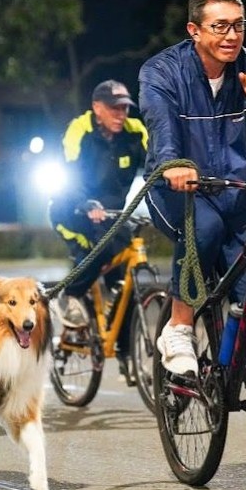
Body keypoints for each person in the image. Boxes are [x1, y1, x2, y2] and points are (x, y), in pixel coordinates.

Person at [138, 0, 246, 378]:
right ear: (194, 30)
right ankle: (179, 327)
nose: (231, 36)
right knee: (205, 227)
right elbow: (162, 127)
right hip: (173, 187)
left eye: (238, 25)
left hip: (234, 189)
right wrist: (174, 164)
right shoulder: (162, 71)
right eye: (220, 26)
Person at [48, 79, 148, 385]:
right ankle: (73, 295)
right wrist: (85, 202)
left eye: (125, 108)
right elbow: (69, 173)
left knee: (127, 283)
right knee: (101, 249)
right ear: (97, 108)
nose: (121, 114)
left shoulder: (135, 132)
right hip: (72, 210)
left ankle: (127, 354)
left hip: (112, 217)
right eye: (114, 108)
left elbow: (158, 168)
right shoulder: (80, 130)